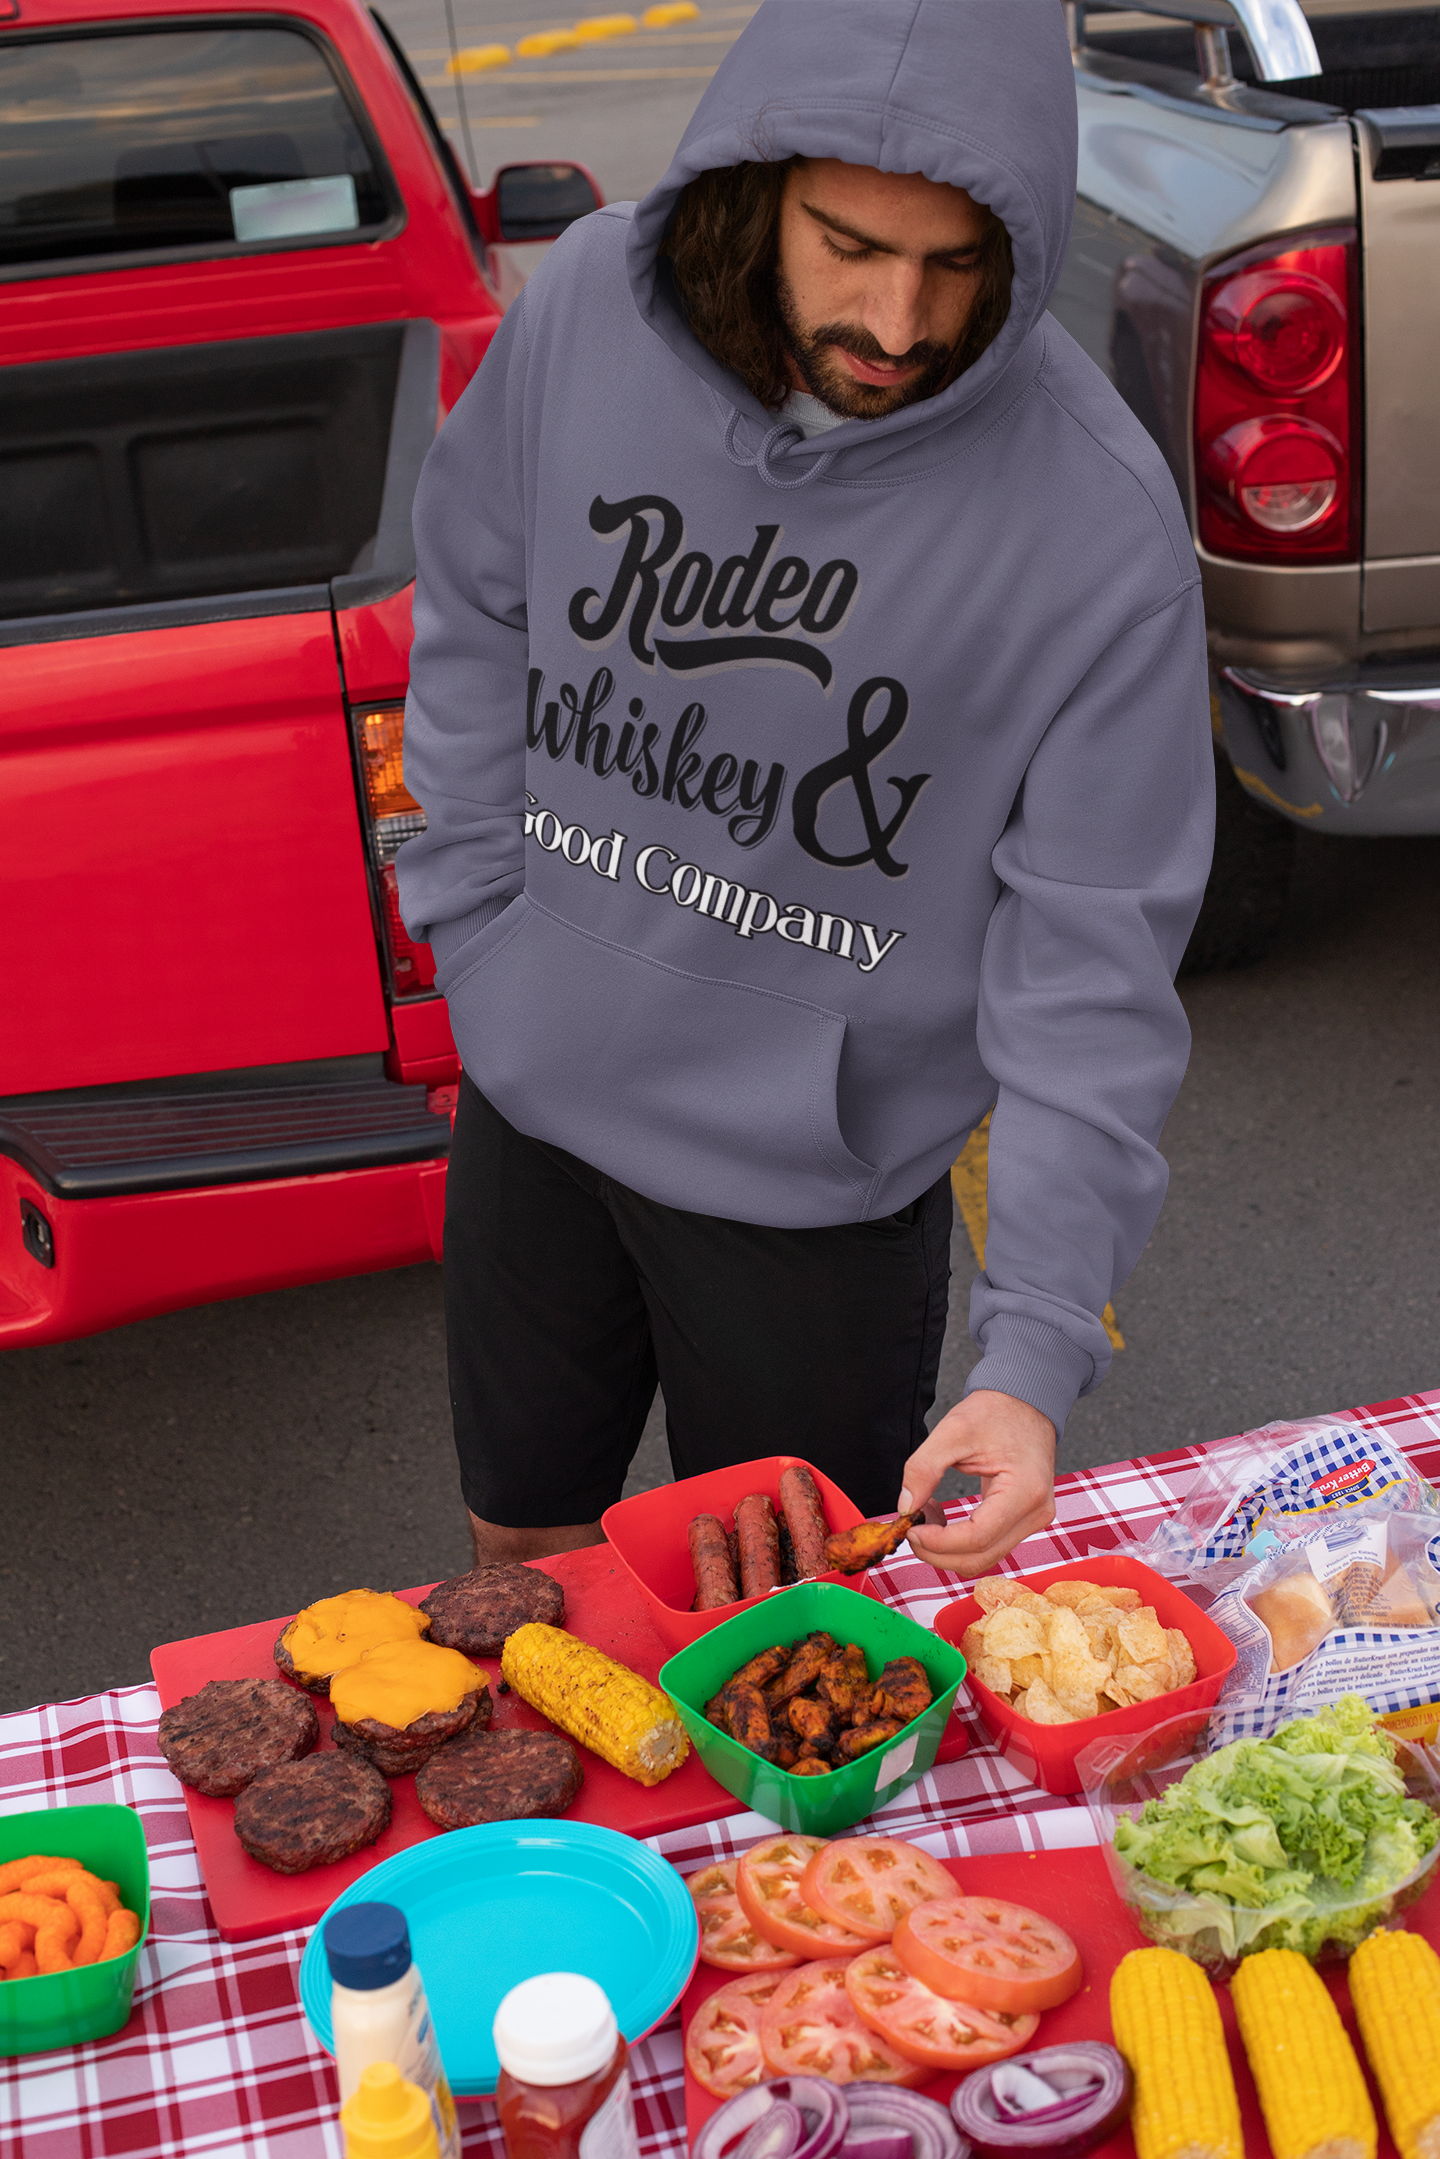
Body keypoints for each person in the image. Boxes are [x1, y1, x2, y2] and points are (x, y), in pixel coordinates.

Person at [396, 0, 1213, 1580]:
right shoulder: (584, 314)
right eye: (848, 246)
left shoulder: (1098, 529)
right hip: (536, 1084)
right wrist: (475, 915)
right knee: (516, 1554)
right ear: (755, 183)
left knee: (778, 1641)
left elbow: (1091, 968)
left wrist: (1033, 1353)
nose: (899, 322)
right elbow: (474, 596)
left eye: (959, 263)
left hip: (811, 1190)